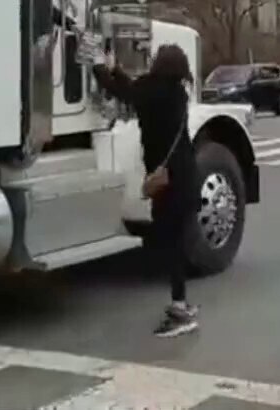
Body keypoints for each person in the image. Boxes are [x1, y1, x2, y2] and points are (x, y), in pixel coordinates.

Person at [92, 43, 199, 338]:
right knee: (175, 240)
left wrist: (98, 65)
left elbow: (122, 91)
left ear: (160, 63)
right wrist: (115, 68)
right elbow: (133, 89)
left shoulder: (154, 90)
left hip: (168, 181)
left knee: (170, 243)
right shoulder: (176, 90)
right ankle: (183, 303)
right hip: (185, 175)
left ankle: (180, 310)